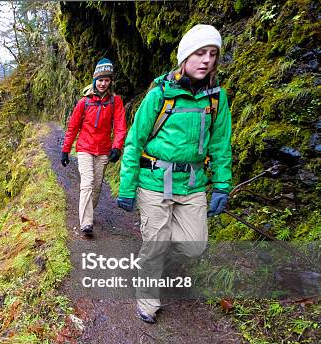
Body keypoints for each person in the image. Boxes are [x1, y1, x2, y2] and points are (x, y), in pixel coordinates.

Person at [117, 25, 232, 323]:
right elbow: (134, 142)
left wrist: (221, 185)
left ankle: (152, 262)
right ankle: (147, 299)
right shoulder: (160, 95)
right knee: (155, 243)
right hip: (154, 181)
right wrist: (127, 188)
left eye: (212, 54)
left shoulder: (216, 99)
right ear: (185, 57)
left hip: (192, 184)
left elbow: (220, 144)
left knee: (194, 246)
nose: (206, 60)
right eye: (199, 53)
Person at [61, 58, 127, 237]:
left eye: (107, 80)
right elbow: (73, 126)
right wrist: (66, 149)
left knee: (97, 187)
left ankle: (88, 210)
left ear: (111, 81)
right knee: (88, 183)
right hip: (84, 148)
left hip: (104, 150)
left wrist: (117, 147)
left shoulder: (115, 101)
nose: (103, 83)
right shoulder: (85, 102)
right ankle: (86, 222)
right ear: (94, 80)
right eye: (100, 80)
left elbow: (120, 126)